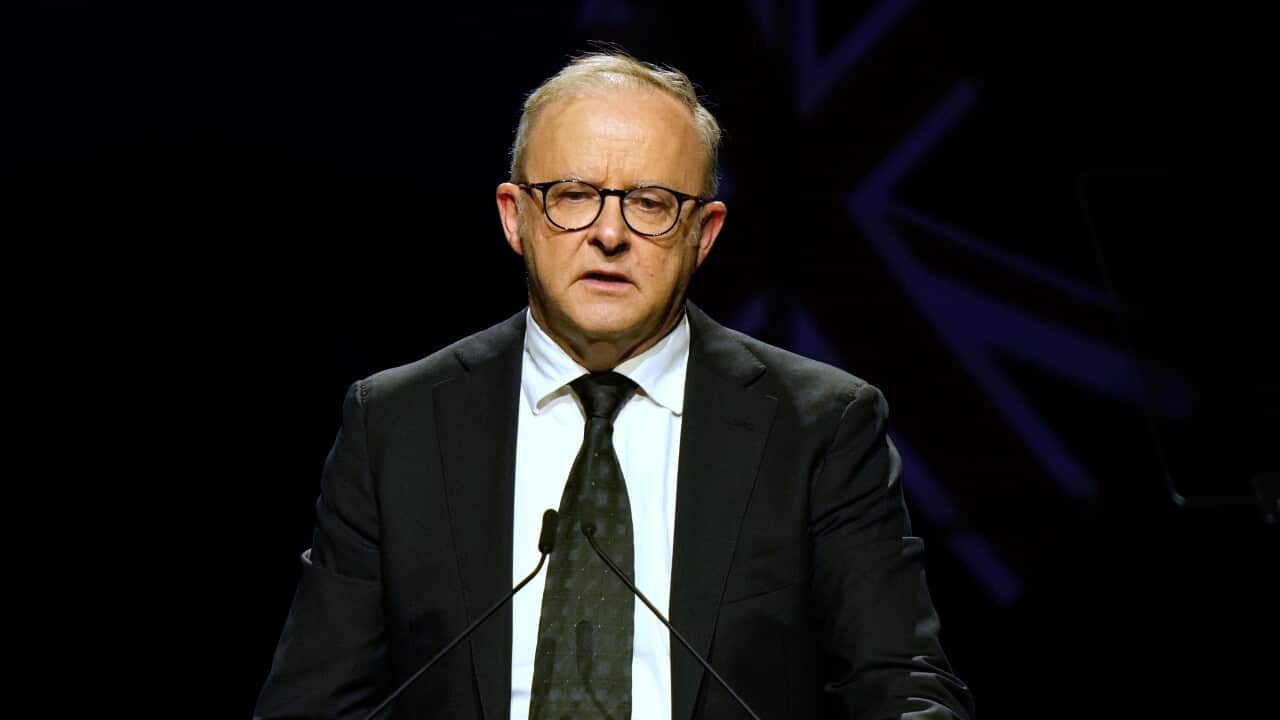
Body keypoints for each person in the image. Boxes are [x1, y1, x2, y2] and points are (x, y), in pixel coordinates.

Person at [255, 50, 974, 720]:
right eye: (572, 195)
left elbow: (903, 687)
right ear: (516, 218)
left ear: (706, 231)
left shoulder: (820, 426)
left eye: (652, 203)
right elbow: (312, 705)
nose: (609, 233)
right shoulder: (396, 424)